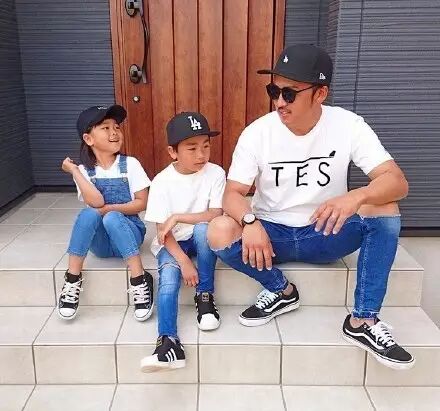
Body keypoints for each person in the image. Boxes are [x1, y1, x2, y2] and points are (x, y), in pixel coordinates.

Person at [207, 44, 414, 370]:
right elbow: (232, 193)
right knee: (218, 229)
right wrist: (249, 221)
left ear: (320, 94)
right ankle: (281, 290)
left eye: (289, 94)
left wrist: (356, 196)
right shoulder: (257, 133)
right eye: (274, 91)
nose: (279, 102)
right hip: (271, 237)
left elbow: (397, 182)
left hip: (324, 232)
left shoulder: (348, 125)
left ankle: (362, 320)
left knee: (384, 206)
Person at [141, 112, 225, 372]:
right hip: (172, 242)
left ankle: (205, 296)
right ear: (173, 152)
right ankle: (168, 342)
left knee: (204, 229)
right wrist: (184, 262)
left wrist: (178, 216)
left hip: (200, 237)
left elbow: (215, 214)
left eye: (206, 146)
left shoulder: (215, 173)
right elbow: (162, 232)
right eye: (192, 148)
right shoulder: (161, 182)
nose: (201, 154)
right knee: (168, 279)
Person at [59, 105, 153, 322]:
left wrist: (110, 210)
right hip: (101, 246)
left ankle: (139, 279)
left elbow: (142, 203)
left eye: (116, 127)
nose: (114, 132)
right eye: (105, 128)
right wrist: (74, 170)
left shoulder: (131, 164)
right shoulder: (84, 171)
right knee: (88, 215)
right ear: (88, 139)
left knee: (110, 216)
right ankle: (72, 279)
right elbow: (96, 202)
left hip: (130, 234)